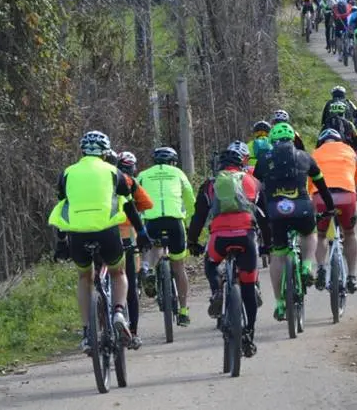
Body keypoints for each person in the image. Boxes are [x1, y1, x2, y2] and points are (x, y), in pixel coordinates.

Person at [50, 131, 150, 353]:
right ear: (106, 152)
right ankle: (117, 312)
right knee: (118, 273)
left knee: (84, 277)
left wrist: (61, 242)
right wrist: (141, 232)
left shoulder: (67, 173)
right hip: (107, 232)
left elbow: (62, 207)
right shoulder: (114, 172)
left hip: (77, 234)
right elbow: (127, 204)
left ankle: (87, 333)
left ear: (82, 151)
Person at [187, 146, 271, 358]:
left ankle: (217, 291)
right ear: (241, 164)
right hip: (246, 237)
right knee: (249, 287)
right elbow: (264, 215)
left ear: (219, 166)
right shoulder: (252, 182)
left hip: (219, 239)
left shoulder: (210, 185)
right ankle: (249, 333)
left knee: (211, 263)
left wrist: (192, 241)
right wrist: (267, 244)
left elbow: (198, 217)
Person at [253, 123, 335, 322]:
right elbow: (322, 186)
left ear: (272, 141)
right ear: (293, 139)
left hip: (275, 211)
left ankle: (280, 304)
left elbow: (254, 188)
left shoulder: (264, 159)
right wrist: (330, 207)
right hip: (302, 207)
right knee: (309, 233)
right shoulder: (305, 156)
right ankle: (307, 266)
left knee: (277, 255)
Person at [137, 146, 196, 326]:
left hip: (152, 220)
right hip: (174, 221)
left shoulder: (143, 174)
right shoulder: (178, 173)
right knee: (179, 267)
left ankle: (148, 269)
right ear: (173, 161)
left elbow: (135, 199)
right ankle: (184, 311)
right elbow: (190, 199)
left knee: (152, 247)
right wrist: (189, 220)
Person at [310, 129, 357, 293]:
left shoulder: (315, 153)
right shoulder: (349, 151)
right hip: (346, 195)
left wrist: (310, 204)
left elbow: (309, 183)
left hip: (321, 197)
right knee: (350, 233)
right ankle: (352, 276)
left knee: (321, 234)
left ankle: (321, 268)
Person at [115, 150, 153, 350]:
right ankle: (134, 333)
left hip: (101, 230)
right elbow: (147, 203)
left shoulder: (105, 179)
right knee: (129, 279)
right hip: (128, 231)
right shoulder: (129, 181)